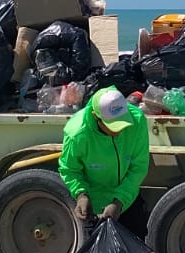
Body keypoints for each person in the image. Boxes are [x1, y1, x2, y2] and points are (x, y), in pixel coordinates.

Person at [58, 86, 151, 237]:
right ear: (96, 117)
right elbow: (69, 169)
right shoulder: (77, 133)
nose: (118, 131)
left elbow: (138, 167)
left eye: (121, 123)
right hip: (93, 206)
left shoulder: (137, 122)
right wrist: (81, 195)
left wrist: (119, 202)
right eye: (112, 126)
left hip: (126, 198)